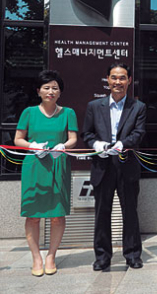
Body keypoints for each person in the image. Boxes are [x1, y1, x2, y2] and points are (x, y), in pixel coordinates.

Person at [82, 63, 146, 271]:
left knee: (130, 213)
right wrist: (97, 145)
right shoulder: (94, 106)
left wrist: (122, 144)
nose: (118, 82)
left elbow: (139, 133)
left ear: (129, 80)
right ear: (107, 80)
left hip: (127, 166)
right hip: (102, 166)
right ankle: (102, 257)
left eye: (122, 78)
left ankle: (133, 254)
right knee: (102, 213)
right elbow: (87, 134)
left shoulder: (138, 107)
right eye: (114, 78)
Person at [14, 70, 77, 276]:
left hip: (58, 166)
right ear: (38, 90)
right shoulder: (29, 112)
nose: (51, 91)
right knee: (33, 216)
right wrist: (32, 146)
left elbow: (73, 138)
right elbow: (18, 139)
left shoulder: (68, 112)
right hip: (34, 166)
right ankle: (36, 258)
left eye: (55, 88)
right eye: (47, 87)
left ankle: (51, 256)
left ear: (60, 92)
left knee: (57, 216)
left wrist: (63, 147)